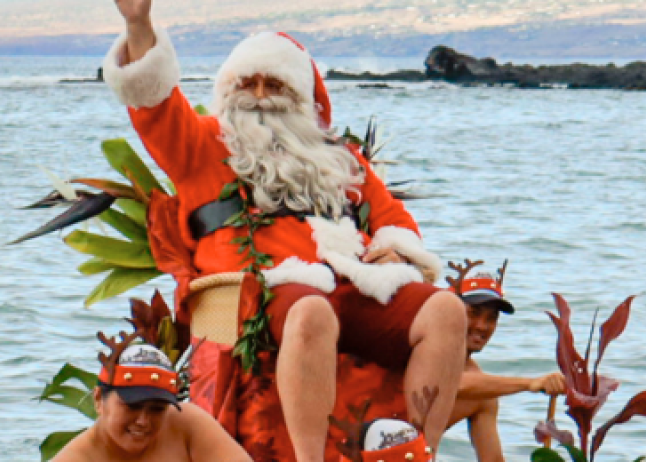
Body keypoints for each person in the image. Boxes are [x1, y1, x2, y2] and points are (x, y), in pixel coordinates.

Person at [99, 1, 466, 460]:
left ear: (301, 97)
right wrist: (138, 23)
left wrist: (397, 252)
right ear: (227, 91)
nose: (258, 94)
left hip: (352, 284)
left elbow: (393, 218)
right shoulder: (200, 145)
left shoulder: (342, 157)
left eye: (274, 84)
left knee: (446, 311)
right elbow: (151, 100)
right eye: (246, 83)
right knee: (311, 311)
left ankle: (414, 450)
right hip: (256, 294)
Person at [439, 260, 566, 461]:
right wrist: (531, 383)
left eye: (491, 318)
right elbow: (452, 383)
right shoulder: (418, 351)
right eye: (474, 313)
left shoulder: (483, 393)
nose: (482, 326)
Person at [52, 338, 251, 461]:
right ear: (98, 399)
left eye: (157, 409)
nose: (143, 421)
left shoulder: (187, 423)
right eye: (132, 406)